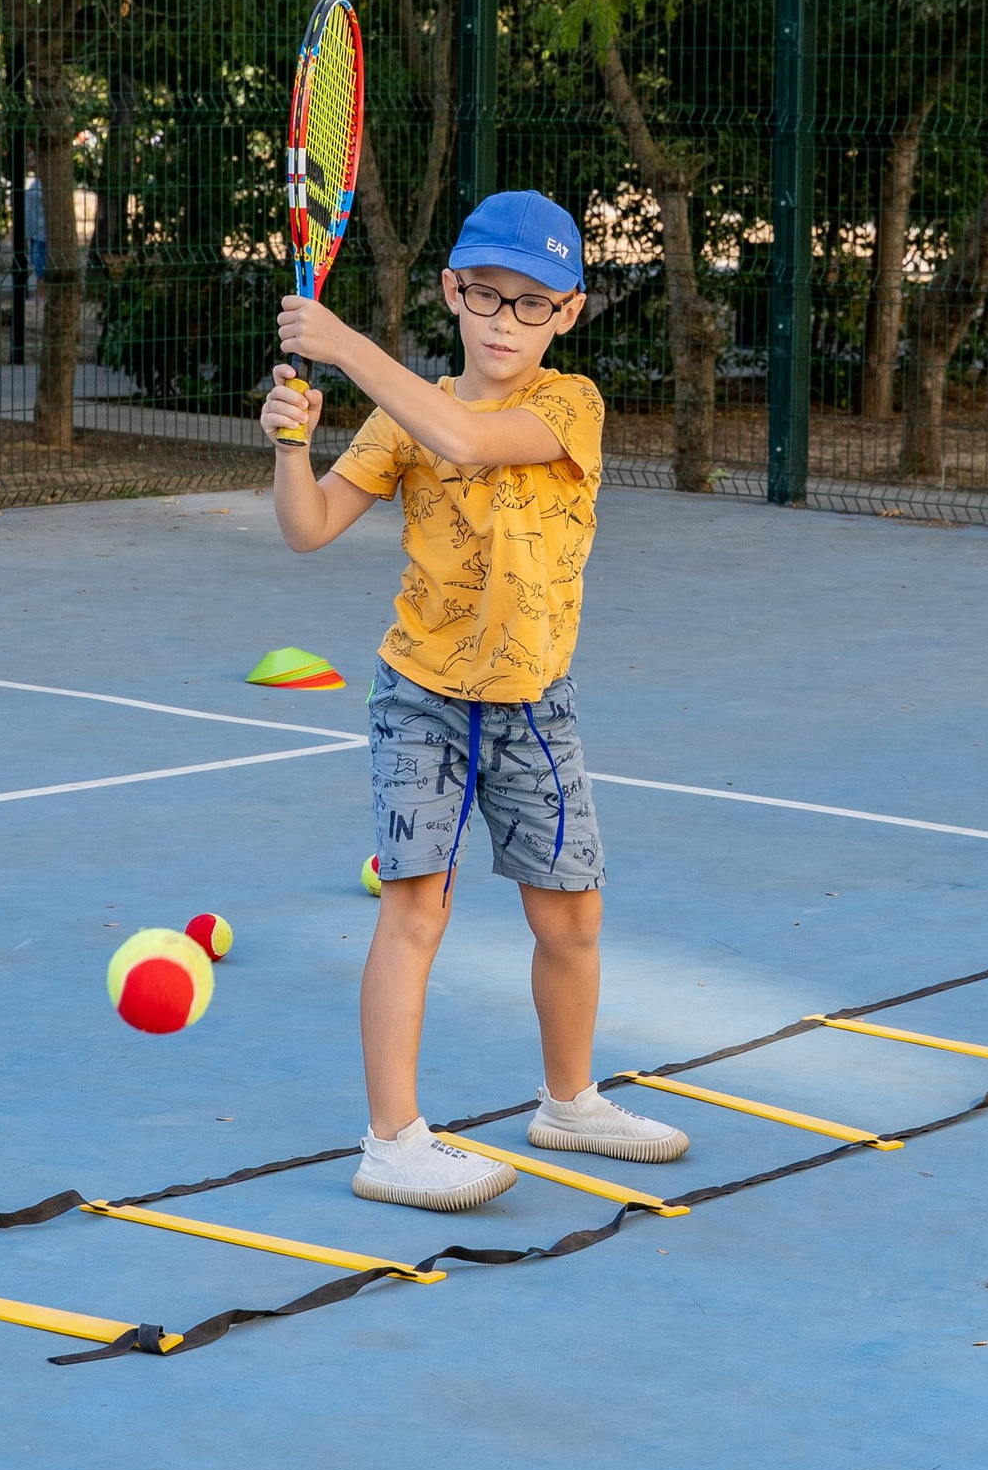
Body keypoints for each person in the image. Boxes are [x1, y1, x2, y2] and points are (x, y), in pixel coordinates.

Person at [258, 187, 688, 1212]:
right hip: (423, 697)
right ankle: (392, 1141)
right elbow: (309, 526)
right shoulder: (404, 416)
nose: (504, 321)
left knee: (572, 919)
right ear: (451, 291)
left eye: (532, 303)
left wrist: (344, 344)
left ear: (570, 312)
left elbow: (463, 437)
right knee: (415, 907)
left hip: (534, 703)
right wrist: (288, 443)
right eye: (484, 296)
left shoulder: (566, 407)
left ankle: (570, 1101)